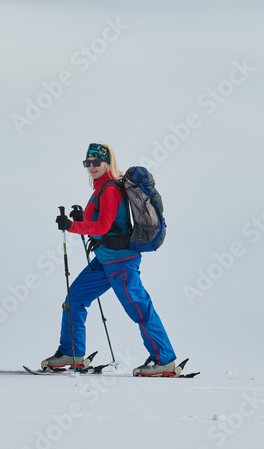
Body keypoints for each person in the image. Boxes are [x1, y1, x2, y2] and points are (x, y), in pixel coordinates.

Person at [41, 142, 181, 376]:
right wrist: (80, 219)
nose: (92, 166)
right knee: (74, 299)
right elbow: (100, 224)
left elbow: (103, 226)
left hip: (121, 262)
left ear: (107, 163)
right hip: (105, 260)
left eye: (96, 162)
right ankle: (71, 352)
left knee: (140, 309)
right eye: (88, 163)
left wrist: (72, 225)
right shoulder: (100, 188)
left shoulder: (109, 189)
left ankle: (163, 360)